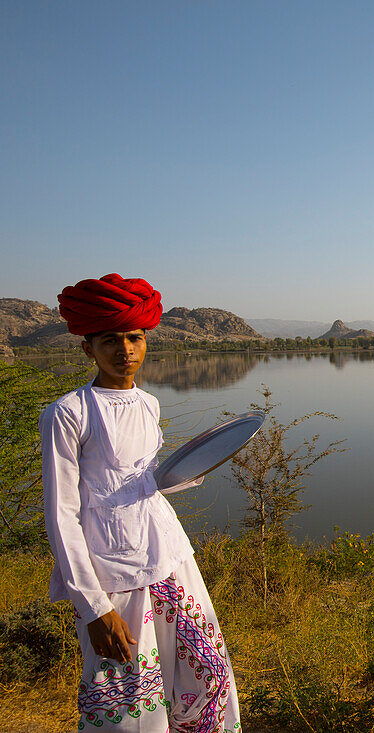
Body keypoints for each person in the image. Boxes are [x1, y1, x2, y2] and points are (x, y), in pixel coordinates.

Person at [40, 274, 241, 732]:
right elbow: (62, 516)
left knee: (203, 674)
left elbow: (138, 482)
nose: (125, 350)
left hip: (169, 557)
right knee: (129, 698)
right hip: (114, 572)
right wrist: (94, 607)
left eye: (134, 338)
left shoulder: (148, 403)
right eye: (110, 340)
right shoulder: (69, 413)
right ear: (88, 347)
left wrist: (181, 475)